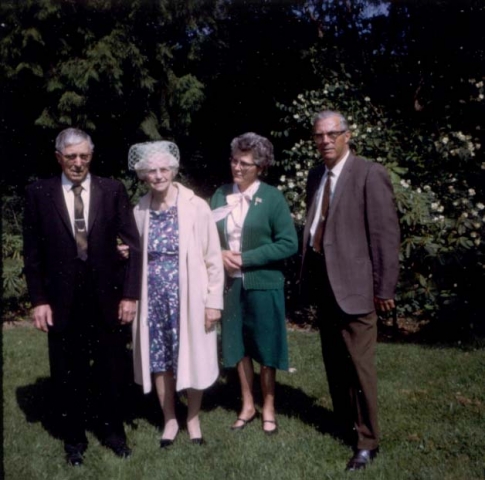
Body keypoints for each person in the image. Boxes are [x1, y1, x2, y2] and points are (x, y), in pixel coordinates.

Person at [23, 128, 142, 466]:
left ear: (91, 156)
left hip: (107, 299)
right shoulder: (38, 193)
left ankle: (113, 433)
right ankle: (74, 440)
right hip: (61, 302)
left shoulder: (112, 190)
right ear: (59, 157)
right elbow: (32, 255)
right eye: (71, 156)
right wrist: (38, 300)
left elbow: (132, 246)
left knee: (111, 370)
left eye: (84, 156)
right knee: (66, 374)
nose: (78, 163)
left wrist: (130, 295)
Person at [300, 110, 400, 471]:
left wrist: (384, 287)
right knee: (334, 363)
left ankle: (368, 441)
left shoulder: (369, 174)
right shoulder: (316, 175)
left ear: (347, 136)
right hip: (324, 284)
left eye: (331, 134)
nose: (324, 141)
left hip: (356, 286)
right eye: (318, 136)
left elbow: (385, 236)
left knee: (359, 367)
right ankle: (345, 425)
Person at [128, 141, 224, 447]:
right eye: (151, 171)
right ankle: (169, 419)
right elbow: (135, 253)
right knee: (159, 359)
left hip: (189, 297)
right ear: (143, 175)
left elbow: (213, 258)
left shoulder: (196, 206)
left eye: (163, 169)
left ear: (173, 169)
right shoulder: (140, 209)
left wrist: (213, 302)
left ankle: (192, 417)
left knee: (194, 354)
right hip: (153, 299)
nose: (158, 175)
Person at [211, 132, 298, 434]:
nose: (237, 168)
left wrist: (248, 257)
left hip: (264, 284)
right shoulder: (221, 194)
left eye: (245, 164)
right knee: (237, 346)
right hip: (229, 286)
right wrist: (219, 252)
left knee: (266, 347)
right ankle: (248, 405)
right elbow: (208, 236)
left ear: (260, 167)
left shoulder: (272, 198)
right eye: (234, 161)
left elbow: (288, 243)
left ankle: (269, 407)